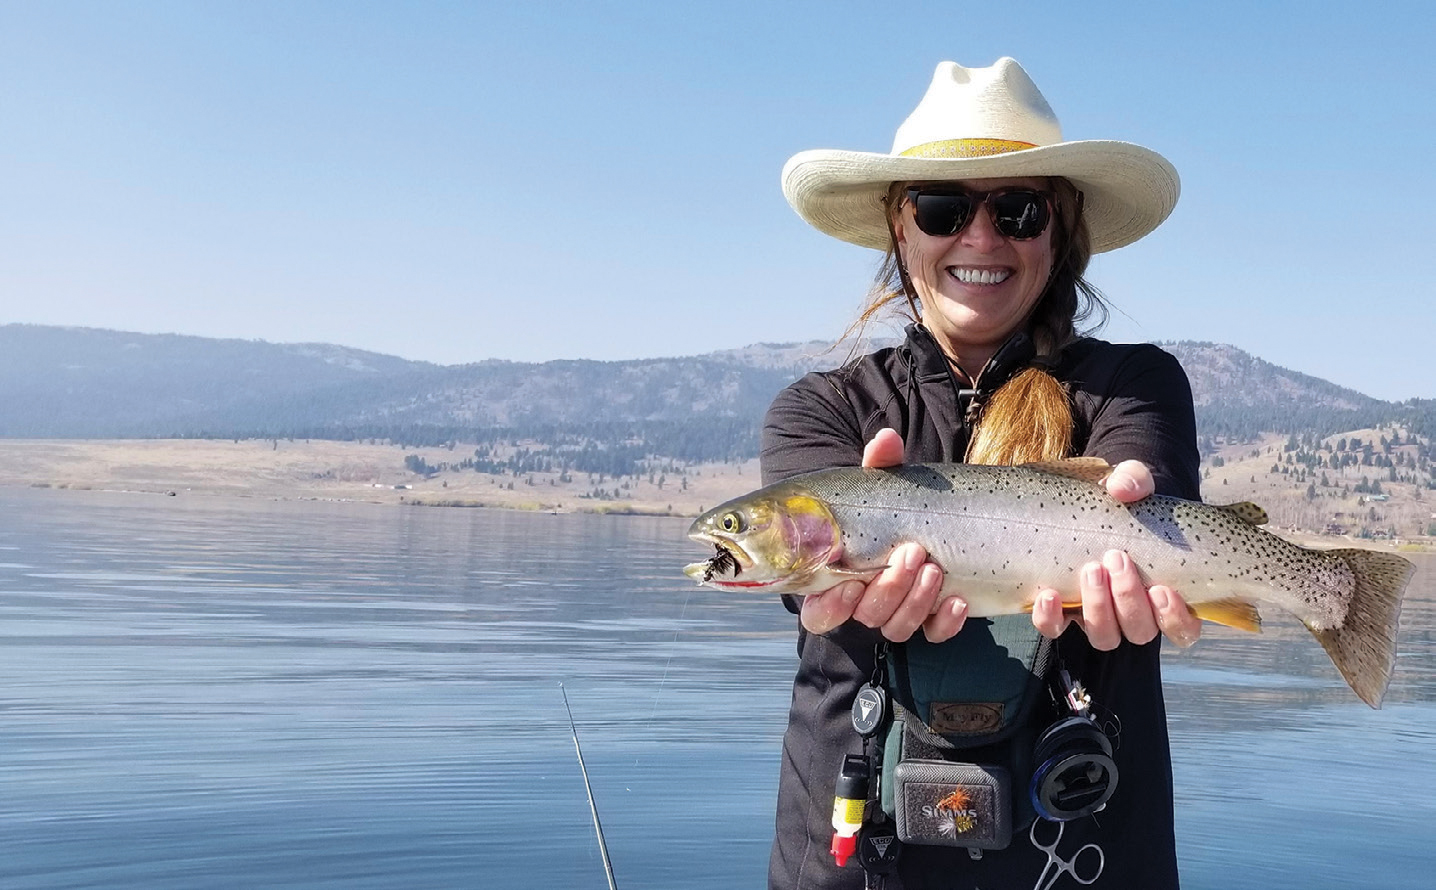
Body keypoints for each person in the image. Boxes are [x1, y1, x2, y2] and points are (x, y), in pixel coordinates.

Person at [763, 58, 1202, 889]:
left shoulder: (1133, 387)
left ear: (1059, 231)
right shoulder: (818, 410)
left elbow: (1158, 505)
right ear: (902, 229)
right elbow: (799, 581)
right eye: (943, 207)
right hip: (852, 865)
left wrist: (1141, 524)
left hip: (1085, 863)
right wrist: (830, 590)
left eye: (1018, 210)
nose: (980, 236)